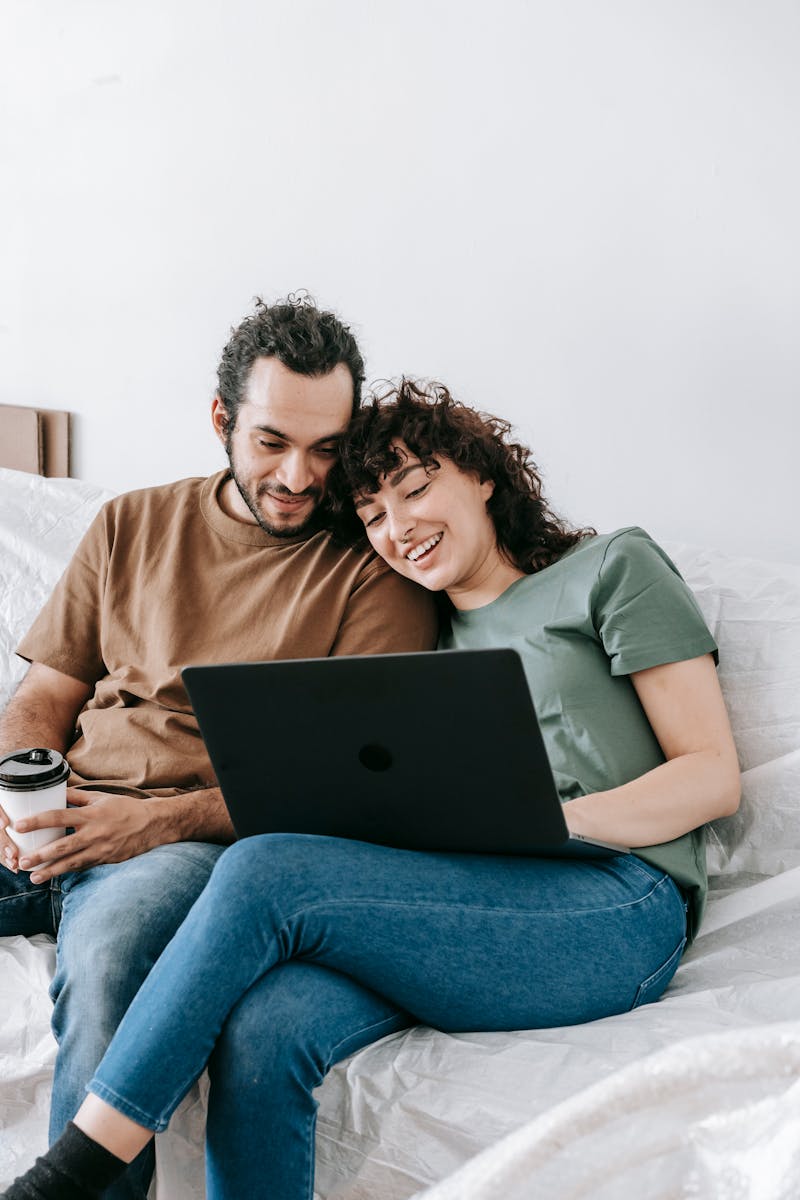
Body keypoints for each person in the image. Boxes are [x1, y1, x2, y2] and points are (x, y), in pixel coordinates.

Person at [2, 379, 741, 1200]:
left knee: (265, 867)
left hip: (616, 903)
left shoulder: (612, 569)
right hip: (463, 895)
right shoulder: (412, 645)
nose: (401, 528)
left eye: (417, 488)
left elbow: (712, 776)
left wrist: (543, 820)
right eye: (374, 515)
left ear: (482, 473)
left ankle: (73, 1173)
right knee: (262, 1027)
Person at [0, 309, 437, 1200]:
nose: (298, 476)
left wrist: (147, 826)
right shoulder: (132, 524)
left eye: (327, 449)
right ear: (220, 420)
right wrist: (16, 791)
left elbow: (340, 788)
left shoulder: (372, 574)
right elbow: (45, 695)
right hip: (60, 809)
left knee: (111, 961)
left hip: (192, 843)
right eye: (273, 440)